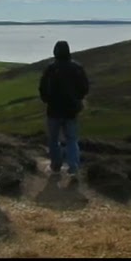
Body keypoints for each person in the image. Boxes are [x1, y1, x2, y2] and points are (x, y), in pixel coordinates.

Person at [38, 40, 90, 177]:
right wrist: (78, 99)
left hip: (53, 109)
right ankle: (73, 167)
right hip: (71, 110)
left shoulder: (51, 68)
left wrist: (46, 100)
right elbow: (85, 87)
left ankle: (56, 166)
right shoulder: (77, 67)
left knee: (53, 139)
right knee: (71, 139)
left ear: (55, 51)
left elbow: (42, 88)